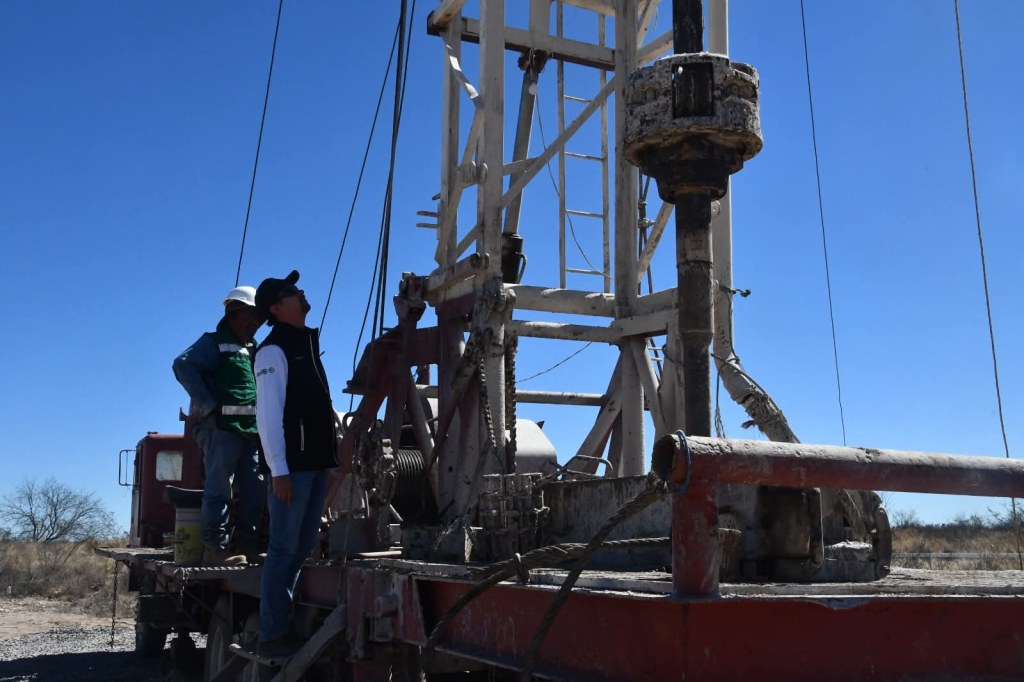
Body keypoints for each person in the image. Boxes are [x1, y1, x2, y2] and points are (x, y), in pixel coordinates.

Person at [253, 270, 338, 657]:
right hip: (294, 468)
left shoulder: (304, 344)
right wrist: (279, 469)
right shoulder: (273, 351)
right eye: (292, 292)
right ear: (276, 307)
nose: (301, 293)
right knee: (283, 549)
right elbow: (268, 415)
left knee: (301, 549)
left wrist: (332, 460)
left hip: (315, 465)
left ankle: (284, 626)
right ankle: (272, 634)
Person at [172, 286, 267, 565]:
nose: (256, 324)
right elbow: (182, 365)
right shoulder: (214, 342)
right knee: (219, 489)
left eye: (259, 319)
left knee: (255, 489)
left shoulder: (253, 349)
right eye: (251, 317)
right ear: (234, 314)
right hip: (222, 429)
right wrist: (207, 402)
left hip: (251, 431)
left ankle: (248, 547)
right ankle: (216, 548)